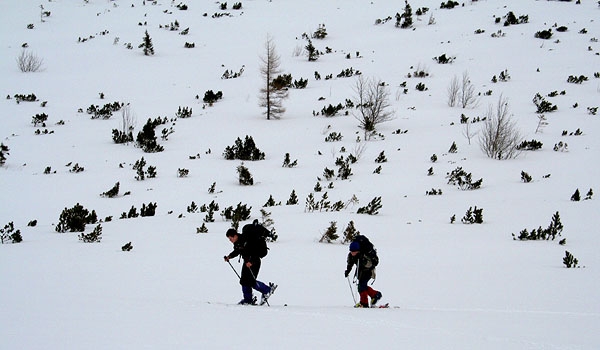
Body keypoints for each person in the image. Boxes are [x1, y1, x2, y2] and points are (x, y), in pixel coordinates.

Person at [224, 227, 276, 305]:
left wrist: (251, 262)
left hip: (254, 262)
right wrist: (229, 256)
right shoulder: (238, 242)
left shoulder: (246, 240)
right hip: (247, 263)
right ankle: (248, 300)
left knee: (250, 281)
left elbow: (254, 251)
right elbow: (237, 251)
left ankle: (267, 290)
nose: (230, 241)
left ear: (235, 236)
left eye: (230, 238)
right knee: (244, 281)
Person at [344, 236, 382, 308]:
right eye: (351, 251)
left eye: (354, 252)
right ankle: (375, 295)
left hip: (368, 272)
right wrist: (347, 271)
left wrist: (363, 261)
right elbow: (350, 263)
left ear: (358, 250)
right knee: (361, 286)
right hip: (360, 272)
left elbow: (370, 264)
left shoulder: (363, 255)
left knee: (361, 286)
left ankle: (364, 303)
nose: (352, 253)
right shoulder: (351, 256)